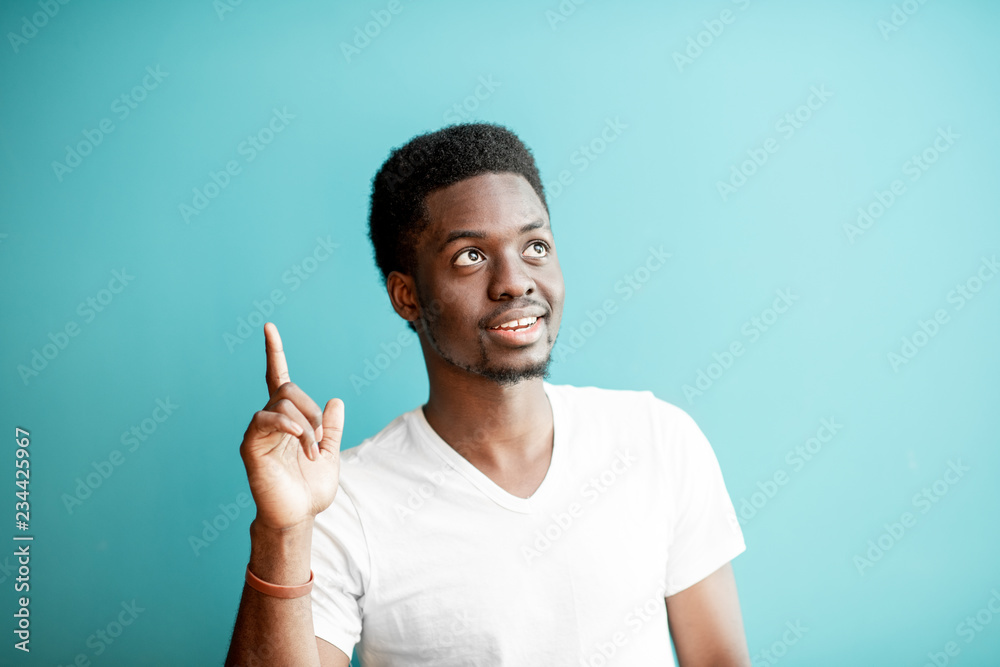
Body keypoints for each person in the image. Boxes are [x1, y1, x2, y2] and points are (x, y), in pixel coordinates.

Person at [224, 123, 750, 666]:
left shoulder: (657, 438)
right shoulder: (343, 502)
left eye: (536, 246)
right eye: (470, 256)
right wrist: (281, 532)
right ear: (406, 296)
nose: (515, 281)